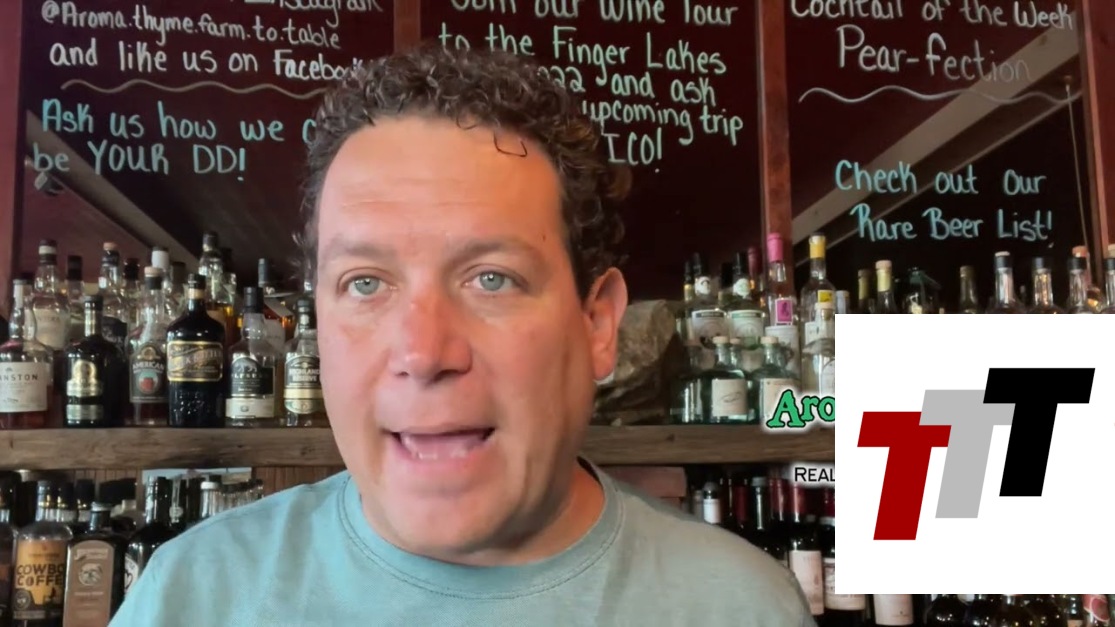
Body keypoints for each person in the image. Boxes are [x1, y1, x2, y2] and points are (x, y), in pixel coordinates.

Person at [110, 44, 814, 626]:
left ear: (596, 323)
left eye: (491, 279)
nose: (423, 353)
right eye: (365, 283)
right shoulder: (191, 596)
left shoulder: (741, 607)